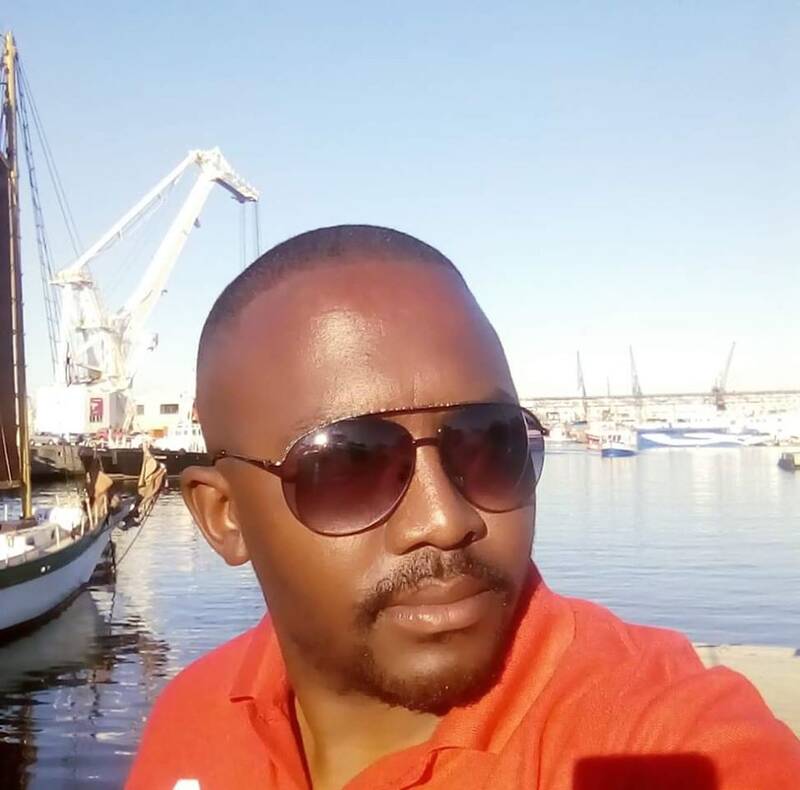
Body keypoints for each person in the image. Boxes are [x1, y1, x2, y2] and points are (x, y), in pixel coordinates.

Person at [127, 225, 800, 790]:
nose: (446, 521)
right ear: (224, 516)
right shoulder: (195, 713)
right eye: (350, 465)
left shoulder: (661, 737)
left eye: (489, 444)